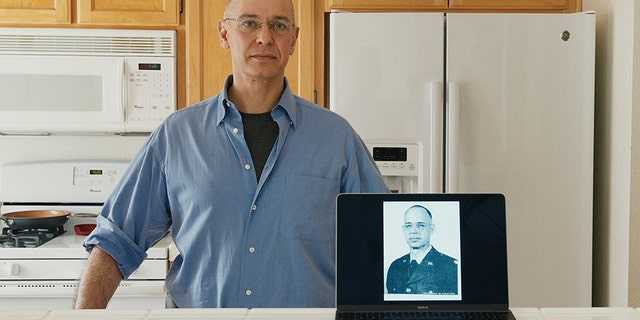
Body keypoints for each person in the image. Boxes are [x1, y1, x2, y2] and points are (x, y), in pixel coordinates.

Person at [73, 0, 388, 309]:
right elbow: (115, 242)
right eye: (249, 23)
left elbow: (382, 240)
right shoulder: (177, 135)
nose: (264, 37)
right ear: (224, 34)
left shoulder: (336, 138)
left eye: (279, 25)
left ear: (293, 39)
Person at [386, 205, 458, 295]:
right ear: (403, 229)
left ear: (431, 229)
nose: (413, 231)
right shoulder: (395, 266)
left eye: (420, 225)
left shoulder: (450, 267)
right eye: (408, 226)